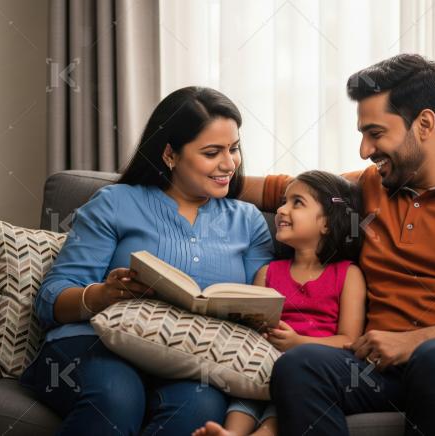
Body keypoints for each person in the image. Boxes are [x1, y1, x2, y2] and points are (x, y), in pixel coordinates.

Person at [238, 54, 435, 436]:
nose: (364, 150)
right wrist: (202, 175)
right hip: (382, 371)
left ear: (424, 124)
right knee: (299, 364)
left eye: (375, 133)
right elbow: (286, 189)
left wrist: (414, 341)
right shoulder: (371, 188)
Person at [18, 86, 275, 436]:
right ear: (170, 154)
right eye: (212, 152)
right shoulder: (115, 203)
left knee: (202, 408)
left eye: (234, 149)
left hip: (193, 357)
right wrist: (101, 296)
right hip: (95, 343)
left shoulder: (248, 222)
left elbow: (261, 303)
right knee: (118, 397)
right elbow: (50, 300)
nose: (229, 164)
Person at [193, 171, 367, 436]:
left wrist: (297, 343)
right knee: (248, 388)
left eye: (297, 203)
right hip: (262, 363)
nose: (282, 210)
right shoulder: (268, 273)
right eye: (284, 201)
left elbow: (349, 341)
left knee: (289, 390)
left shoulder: (347, 275)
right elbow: (248, 329)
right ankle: (232, 433)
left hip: (310, 370)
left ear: (328, 223)